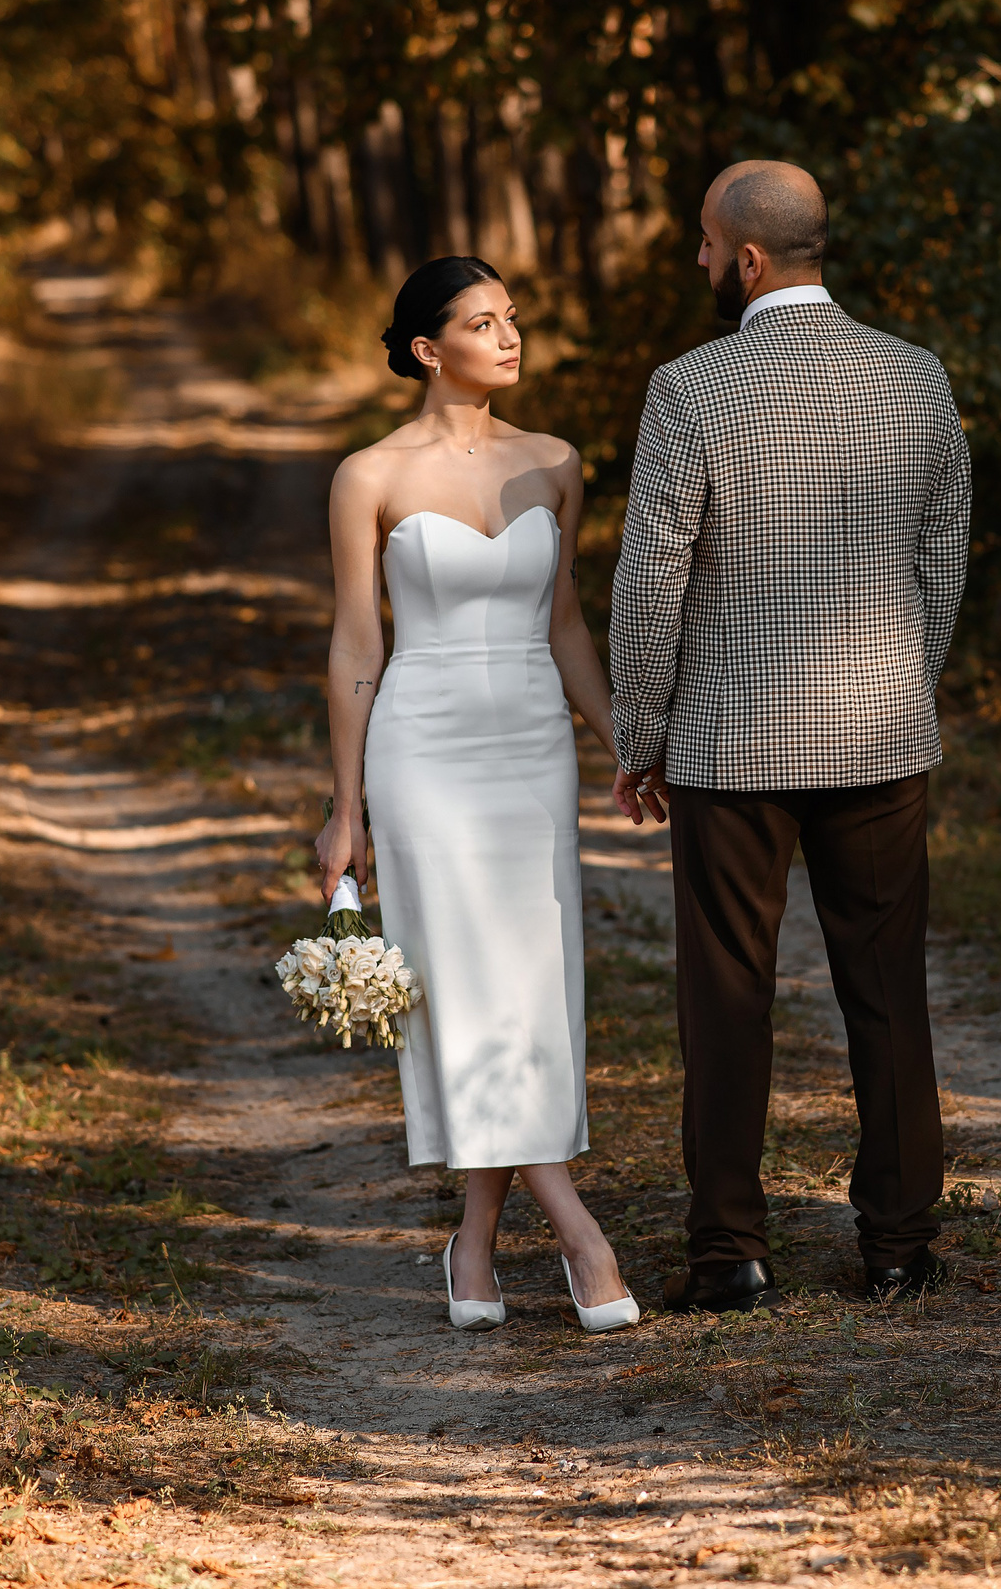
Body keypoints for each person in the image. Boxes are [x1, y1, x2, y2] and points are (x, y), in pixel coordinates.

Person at [607, 161, 974, 1313]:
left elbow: (652, 574)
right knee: (886, 989)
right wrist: (906, 680)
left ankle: (727, 1252)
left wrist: (639, 726)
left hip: (732, 741)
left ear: (751, 258)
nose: (701, 262)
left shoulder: (690, 390)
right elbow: (943, 556)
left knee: (726, 993)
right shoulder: (916, 379)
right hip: (880, 730)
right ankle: (900, 1248)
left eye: (709, 245)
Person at [314, 255, 639, 1335]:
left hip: (531, 747)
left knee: (530, 988)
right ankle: (580, 1234)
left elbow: (567, 627)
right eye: (482, 322)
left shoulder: (555, 462)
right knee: (461, 986)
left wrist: (621, 742)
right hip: (423, 747)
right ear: (424, 348)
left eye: (513, 319)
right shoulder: (369, 475)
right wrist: (345, 806)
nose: (509, 337)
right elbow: (357, 643)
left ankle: (477, 1243)